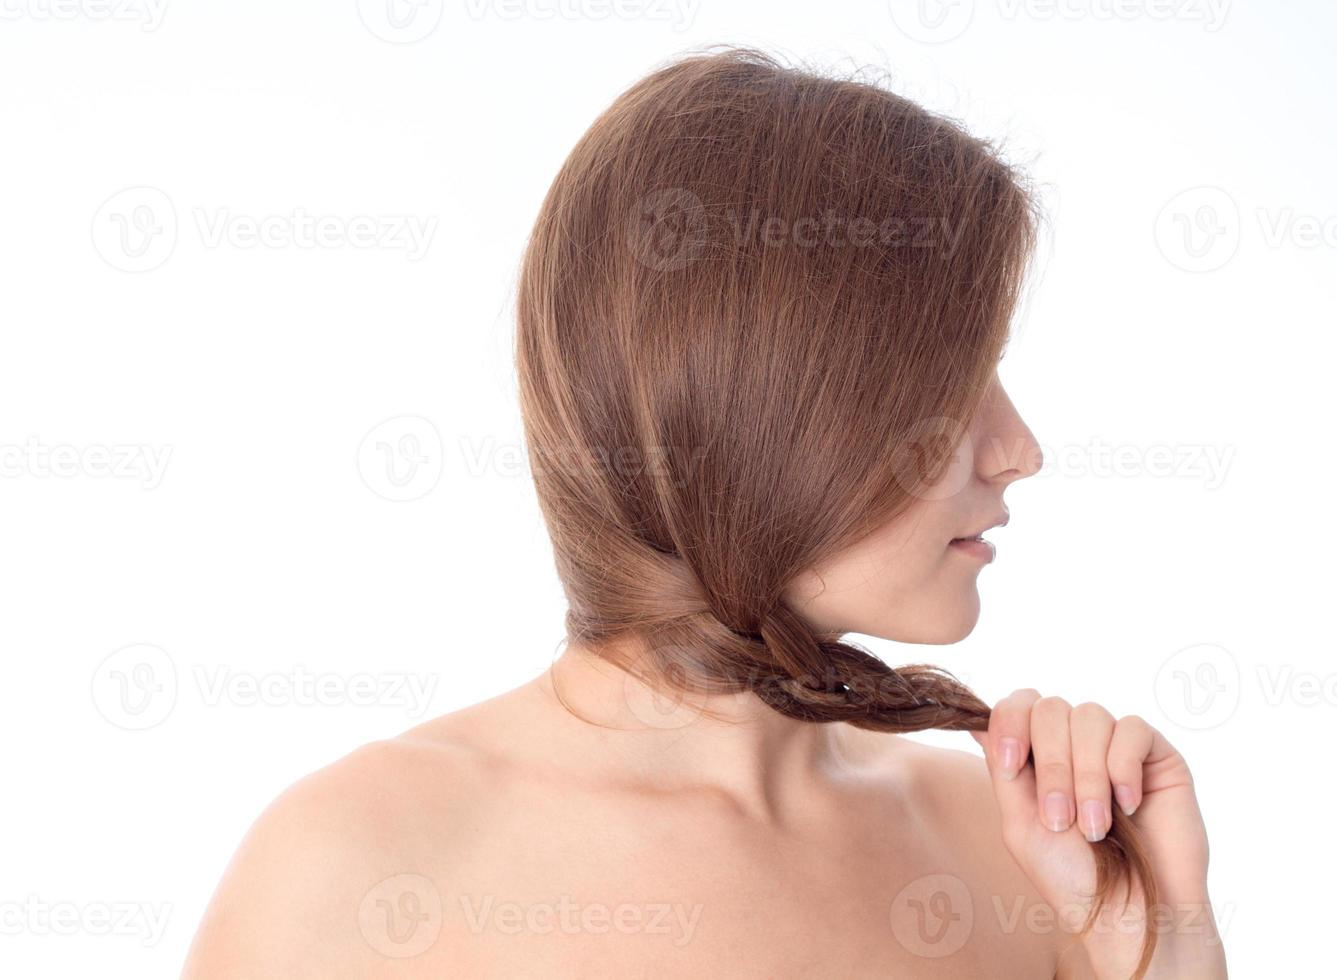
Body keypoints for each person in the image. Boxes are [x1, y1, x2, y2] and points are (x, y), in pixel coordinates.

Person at [182, 46, 1226, 979]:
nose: (1020, 450)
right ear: (757, 401)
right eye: (954, 381)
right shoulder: (356, 866)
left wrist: (1165, 957)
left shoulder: (1014, 850)